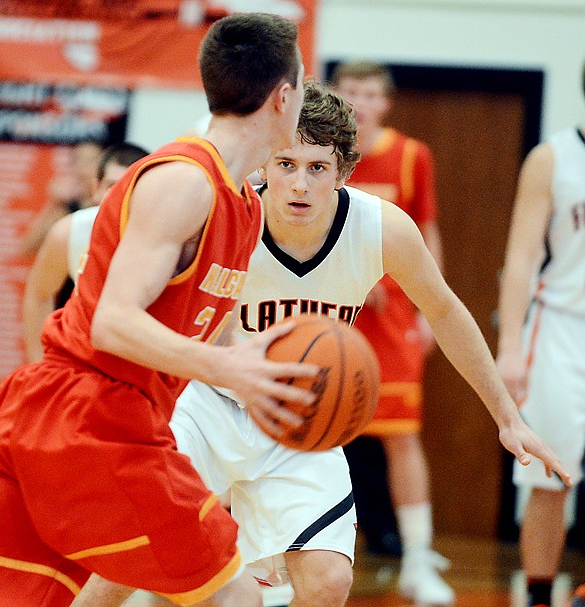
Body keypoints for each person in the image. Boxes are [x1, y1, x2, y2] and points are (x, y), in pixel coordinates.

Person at [62, 81, 571, 607]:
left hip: (300, 423)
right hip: (206, 405)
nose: (299, 184)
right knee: (130, 565)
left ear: (344, 172)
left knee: (328, 582)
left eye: (317, 168)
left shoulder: (380, 229)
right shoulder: (223, 215)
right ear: (265, 164)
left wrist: (508, 417)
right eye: (286, 165)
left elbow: (444, 310)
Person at [0, 13, 312, 607]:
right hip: (93, 417)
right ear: (283, 97)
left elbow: (203, 331)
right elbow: (113, 320)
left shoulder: (243, 207)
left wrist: (265, 375)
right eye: (304, 84)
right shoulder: (184, 182)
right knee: (235, 596)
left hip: (77, 417)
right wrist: (224, 370)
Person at [331, 60, 451, 604]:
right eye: (349, 90)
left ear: (386, 102)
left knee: (402, 437)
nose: (358, 100)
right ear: (334, 94)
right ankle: (293, 556)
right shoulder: (319, 151)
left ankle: (418, 559)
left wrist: (431, 308)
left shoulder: (410, 155)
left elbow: (426, 231)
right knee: (315, 433)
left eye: (369, 92)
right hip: (329, 313)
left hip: (393, 317)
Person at [495, 61, 585, 607]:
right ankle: (538, 595)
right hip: (560, 330)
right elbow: (522, 256)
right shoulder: (553, 158)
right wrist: (509, 350)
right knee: (549, 476)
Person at [22, 142, 149, 362]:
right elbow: (38, 293)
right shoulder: (71, 229)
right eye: (111, 186)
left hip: (140, 365)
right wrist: (38, 363)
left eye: (129, 187)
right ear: (96, 187)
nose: (119, 196)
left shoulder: (168, 237)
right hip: (80, 359)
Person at [19, 137, 107, 257]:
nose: (82, 168)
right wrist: (54, 203)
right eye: (77, 160)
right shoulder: (67, 205)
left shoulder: (108, 204)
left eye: (89, 161)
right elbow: (27, 248)